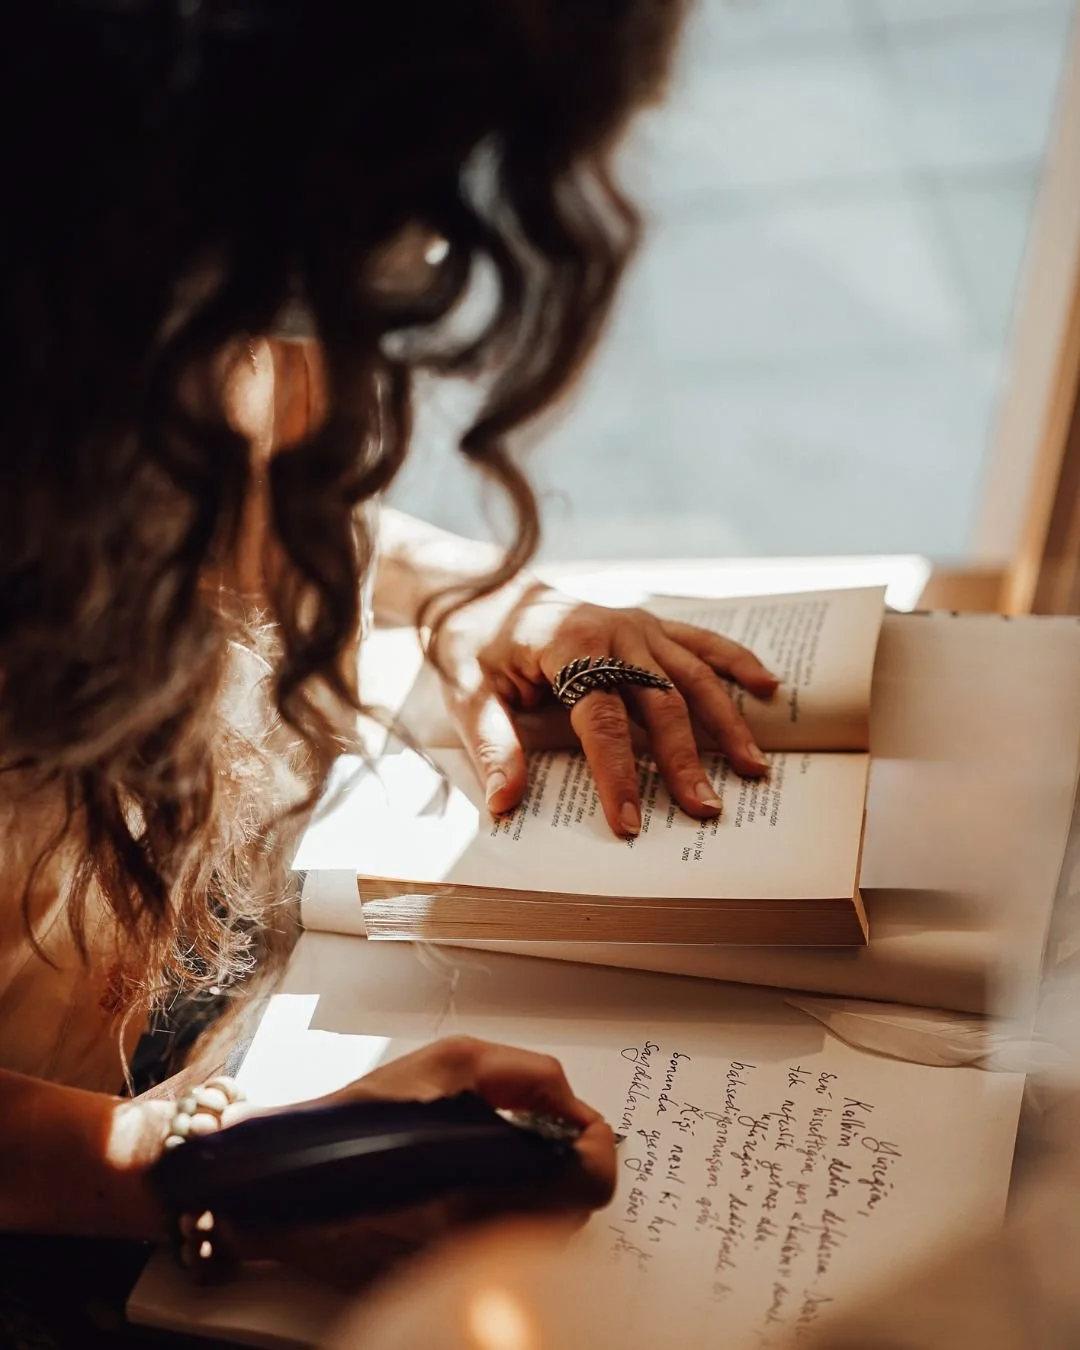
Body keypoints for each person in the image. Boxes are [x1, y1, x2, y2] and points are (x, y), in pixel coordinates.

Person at [0, 0, 777, 1286]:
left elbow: (204, 508)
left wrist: (465, 595)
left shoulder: (169, 288)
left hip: (176, 1008)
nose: (423, 251)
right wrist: (198, 1171)